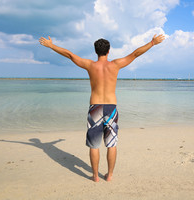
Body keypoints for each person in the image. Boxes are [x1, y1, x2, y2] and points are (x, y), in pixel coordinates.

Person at [39, 34, 165, 182]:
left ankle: (95, 176)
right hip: (111, 107)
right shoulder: (116, 64)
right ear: (109, 51)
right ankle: (109, 175)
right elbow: (135, 54)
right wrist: (152, 43)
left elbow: (70, 55)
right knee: (111, 144)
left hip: (95, 107)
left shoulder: (90, 65)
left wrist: (51, 46)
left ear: (95, 51)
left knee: (94, 145)